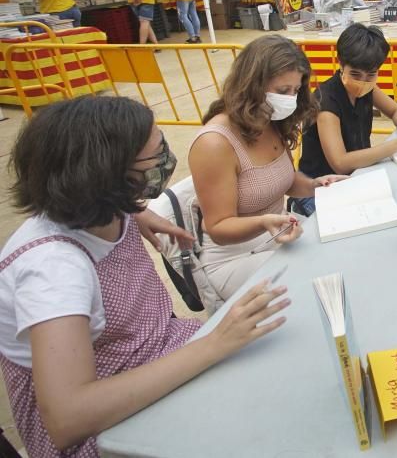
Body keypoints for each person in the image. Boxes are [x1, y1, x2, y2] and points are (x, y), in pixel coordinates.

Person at [0, 96, 290, 457]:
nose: (166, 160)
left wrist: (136, 214)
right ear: (104, 173)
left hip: (154, 349)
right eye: (155, 156)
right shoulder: (53, 270)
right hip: (108, 421)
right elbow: (68, 418)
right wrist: (215, 343)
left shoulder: (102, 207)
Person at [188, 36, 341, 301]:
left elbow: (282, 180)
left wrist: (316, 185)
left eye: (295, 91)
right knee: (316, 282)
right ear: (252, 85)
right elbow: (219, 228)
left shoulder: (269, 119)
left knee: (339, 253)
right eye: (283, 91)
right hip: (233, 256)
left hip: (277, 235)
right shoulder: (215, 143)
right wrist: (264, 222)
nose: (290, 99)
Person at [294, 24, 397, 215]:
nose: (363, 81)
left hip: (355, 175)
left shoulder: (367, 88)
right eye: (355, 74)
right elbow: (339, 163)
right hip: (318, 188)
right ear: (340, 63)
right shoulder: (326, 102)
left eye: (371, 75)